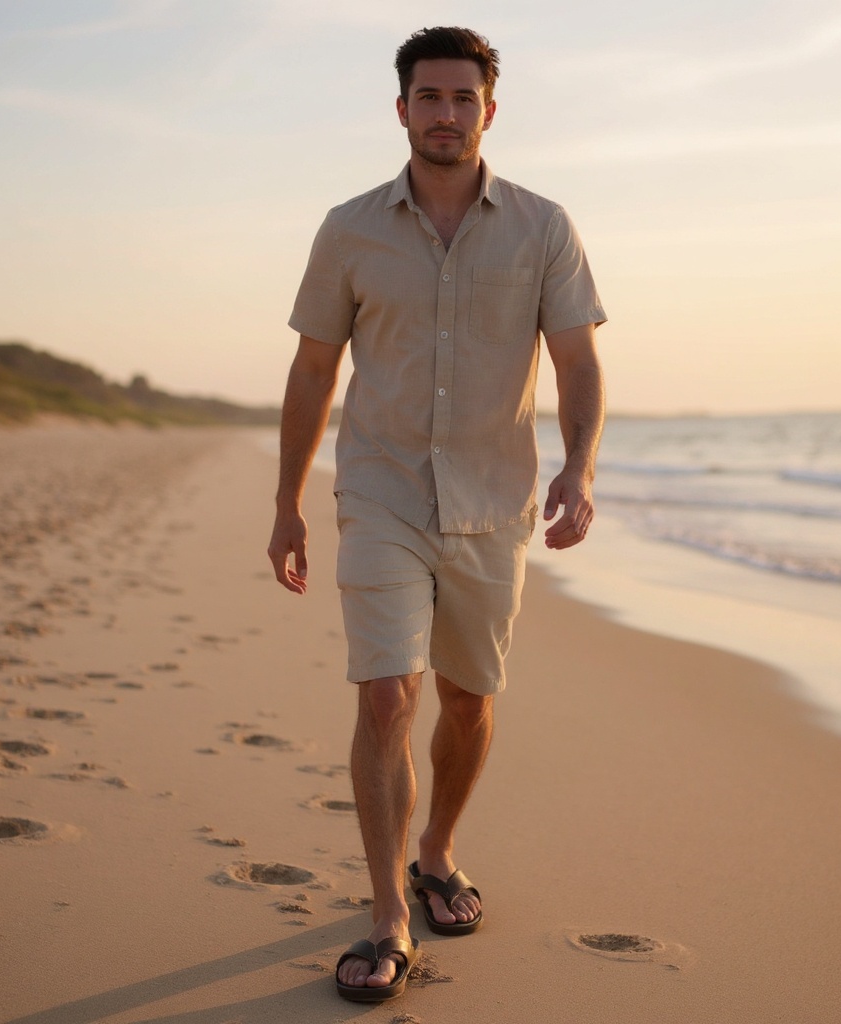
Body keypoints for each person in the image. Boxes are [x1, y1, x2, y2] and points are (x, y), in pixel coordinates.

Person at [267, 25, 606, 1003]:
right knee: (386, 695)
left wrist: (578, 473)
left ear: (487, 111)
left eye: (464, 98)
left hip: (494, 500)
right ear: (402, 108)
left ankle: (438, 847)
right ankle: (387, 918)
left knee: (467, 699)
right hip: (378, 489)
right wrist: (286, 502)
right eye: (430, 96)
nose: (446, 114)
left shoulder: (543, 227)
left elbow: (578, 361)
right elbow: (313, 368)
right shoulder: (349, 229)